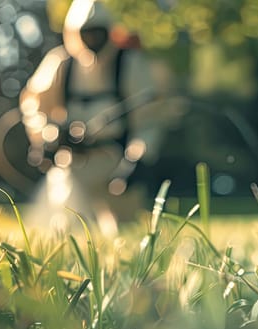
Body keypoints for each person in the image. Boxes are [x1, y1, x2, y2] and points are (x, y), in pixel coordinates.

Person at [19, 0, 176, 233]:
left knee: (126, 233)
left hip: (117, 163)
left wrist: (139, 157)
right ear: (75, 33)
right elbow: (34, 105)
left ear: (109, 32)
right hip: (73, 164)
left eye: (98, 33)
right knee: (67, 228)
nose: (92, 40)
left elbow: (150, 118)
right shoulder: (61, 63)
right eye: (86, 34)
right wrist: (47, 136)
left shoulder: (129, 64)